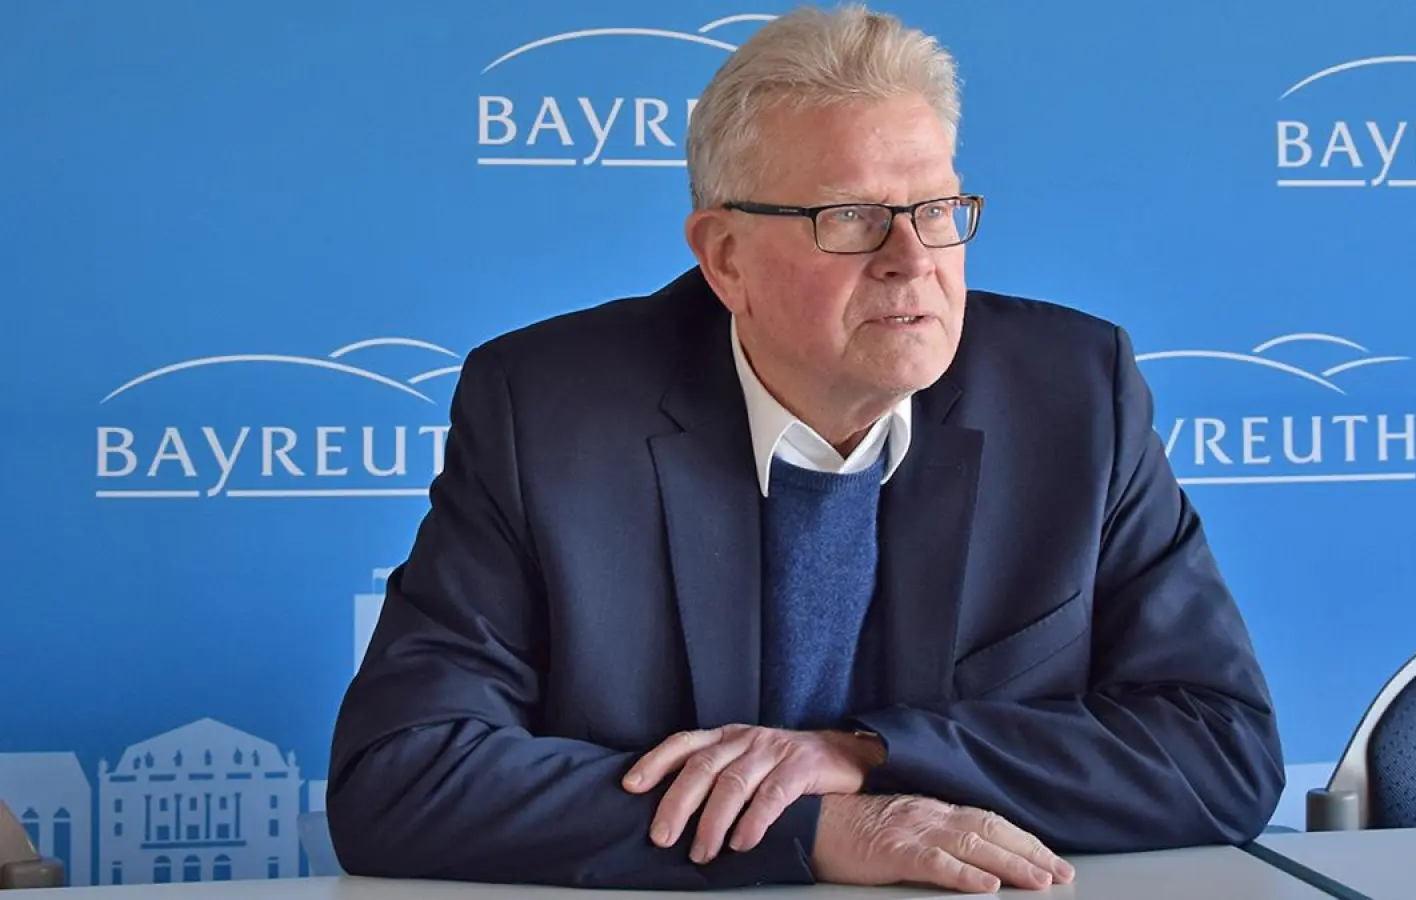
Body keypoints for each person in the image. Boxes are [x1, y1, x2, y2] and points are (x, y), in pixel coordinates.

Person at [325, 4, 1285, 892]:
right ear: (726, 258)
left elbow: (1218, 750)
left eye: (938, 210)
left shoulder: (1076, 393)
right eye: (855, 219)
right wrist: (814, 829)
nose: (913, 260)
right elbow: (400, 778)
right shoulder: (550, 413)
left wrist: (868, 755)